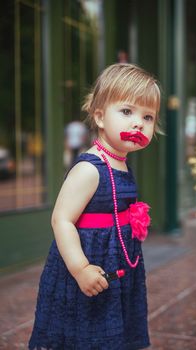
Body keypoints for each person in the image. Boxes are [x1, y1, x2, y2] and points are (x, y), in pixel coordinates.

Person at [29, 63, 161, 350]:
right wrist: (80, 269)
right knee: (86, 329)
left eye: (148, 116)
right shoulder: (90, 169)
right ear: (100, 117)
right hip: (90, 261)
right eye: (127, 112)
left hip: (117, 263)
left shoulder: (122, 161)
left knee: (113, 327)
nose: (138, 123)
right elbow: (61, 220)